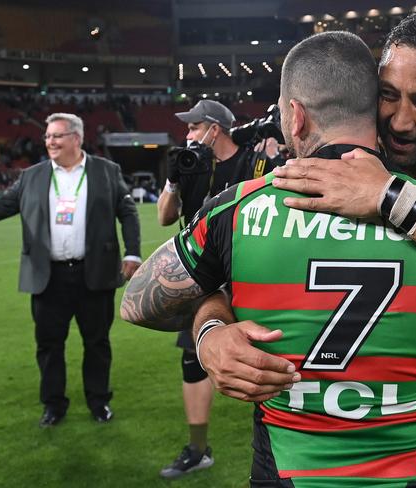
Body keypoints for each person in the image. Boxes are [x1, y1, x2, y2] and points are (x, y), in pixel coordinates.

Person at [121, 31, 416, 487]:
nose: (400, 122)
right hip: (361, 447)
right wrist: (210, 329)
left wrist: (389, 196)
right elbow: (228, 269)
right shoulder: (318, 175)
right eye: (387, 96)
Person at [156, 99, 281, 479]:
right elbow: (164, 217)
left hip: (253, 276)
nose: (188, 134)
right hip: (204, 283)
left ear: (215, 128)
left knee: (274, 357)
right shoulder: (192, 166)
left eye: (194, 127)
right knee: (193, 363)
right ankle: (197, 449)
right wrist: (173, 180)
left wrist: (274, 156)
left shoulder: (253, 160)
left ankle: (283, 442)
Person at [0, 112, 141, 427]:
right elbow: (2, 206)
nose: (50, 142)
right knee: (49, 345)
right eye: (47, 137)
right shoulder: (31, 175)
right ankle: (53, 405)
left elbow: (127, 212)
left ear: (76, 138)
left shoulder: (106, 171)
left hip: (94, 272)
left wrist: (133, 254)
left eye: (57, 136)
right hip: (48, 277)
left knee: (97, 343)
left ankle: (99, 402)